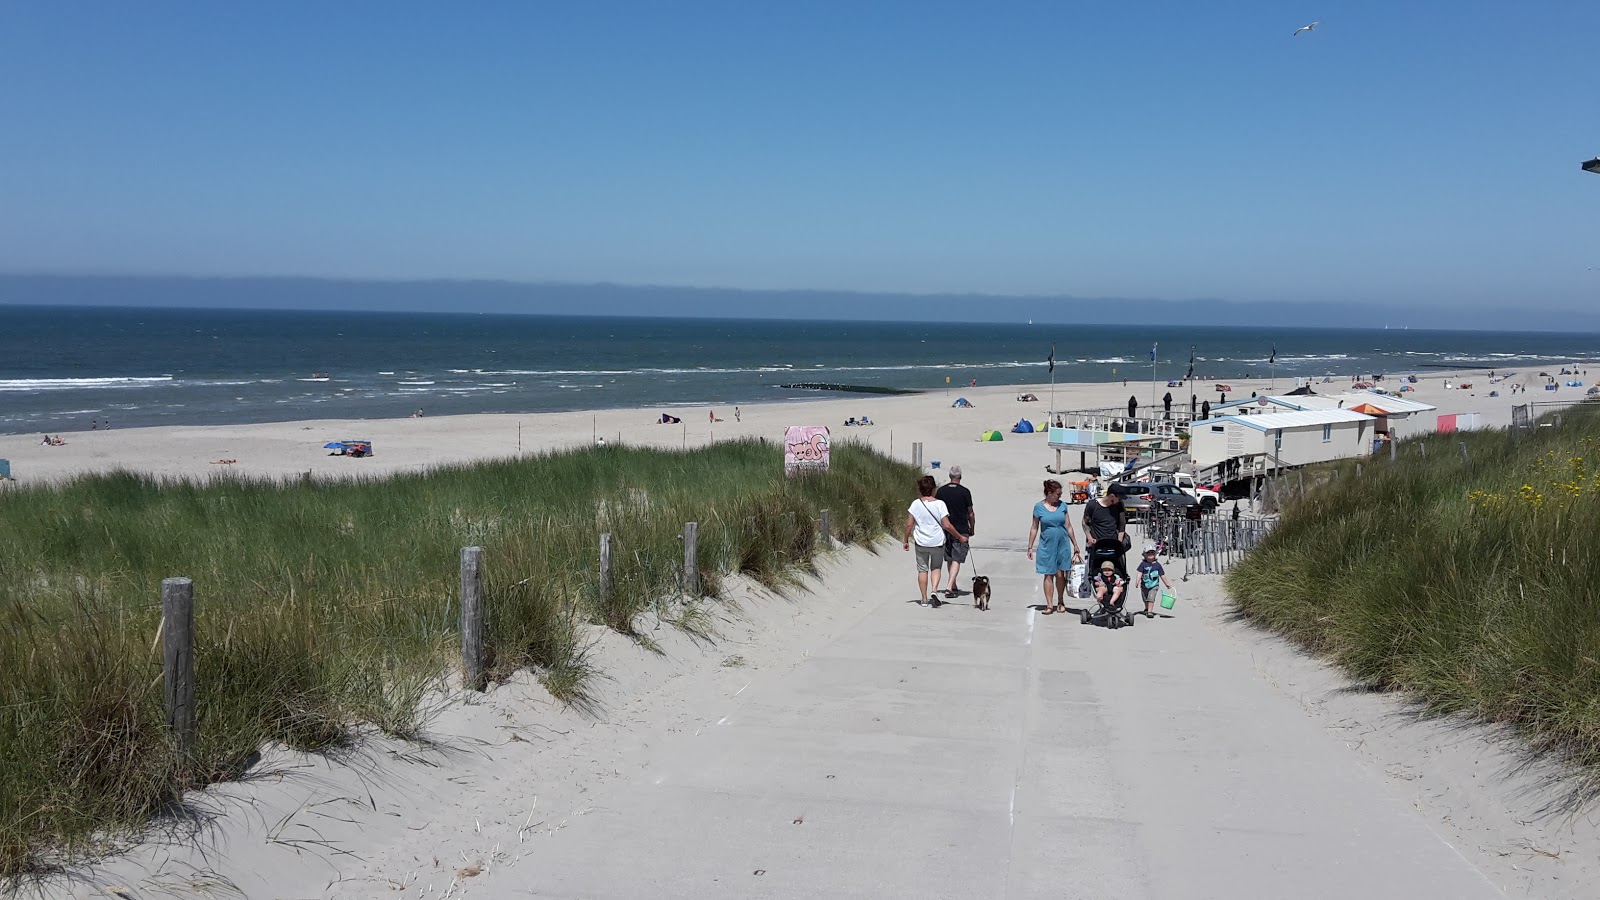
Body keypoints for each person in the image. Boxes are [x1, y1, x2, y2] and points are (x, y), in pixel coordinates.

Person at [904, 475, 967, 606]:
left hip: (921, 542)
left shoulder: (916, 504)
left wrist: (905, 540)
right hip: (937, 542)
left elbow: (909, 524)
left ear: (920, 489)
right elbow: (947, 525)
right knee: (936, 568)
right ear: (933, 489)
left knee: (922, 569)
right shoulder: (940, 504)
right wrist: (960, 537)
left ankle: (924, 599)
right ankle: (934, 590)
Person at [1027, 479, 1082, 615]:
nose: (1060, 496)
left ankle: (1061, 601)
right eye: (1058, 494)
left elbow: (1068, 526)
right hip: (1047, 544)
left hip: (1062, 543)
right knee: (1048, 574)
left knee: (1060, 574)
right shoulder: (1038, 507)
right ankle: (1049, 605)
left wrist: (1075, 543)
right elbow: (1034, 527)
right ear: (1049, 493)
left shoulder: (1063, 506)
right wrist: (1030, 547)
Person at [935, 466, 976, 599]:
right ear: (960, 477)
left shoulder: (941, 491)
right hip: (961, 528)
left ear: (949, 476)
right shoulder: (965, 492)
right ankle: (949, 586)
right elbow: (970, 512)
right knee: (956, 558)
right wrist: (972, 528)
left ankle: (953, 584)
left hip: (945, 528)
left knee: (950, 557)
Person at [1082, 488, 1128, 579]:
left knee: (1118, 570)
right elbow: (1084, 523)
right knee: (1093, 572)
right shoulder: (1092, 505)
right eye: (1119, 498)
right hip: (1096, 544)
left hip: (1113, 544)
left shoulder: (1119, 506)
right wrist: (1089, 537)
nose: (1120, 501)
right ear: (1112, 496)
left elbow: (1122, 526)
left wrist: (1119, 543)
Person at [1136, 545, 1173, 618]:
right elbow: (1140, 573)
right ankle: (1146, 608)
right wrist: (1137, 581)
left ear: (1155, 554)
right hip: (1144, 585)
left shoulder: (1157, 565)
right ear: (1145, 555)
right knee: (1145, 598)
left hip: (1154, 585)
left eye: (1152, 553)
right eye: (1148, 553)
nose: (1150, 554)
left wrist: (1167, 584)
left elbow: (1162, 575)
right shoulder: (1143, 564)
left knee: (1151, 598)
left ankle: (1150, 611)